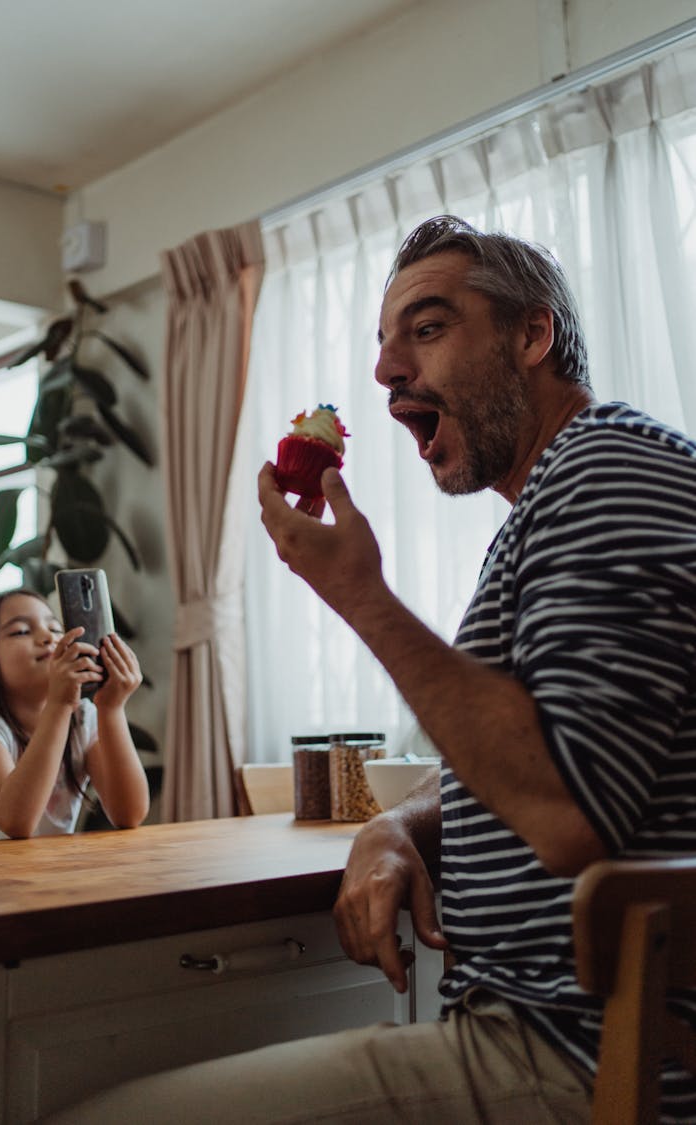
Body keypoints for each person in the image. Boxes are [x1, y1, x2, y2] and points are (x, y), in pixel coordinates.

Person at [43, 215, 696, 1123]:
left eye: (426, 329)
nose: (387, 371)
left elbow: (567, 810)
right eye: (384, 346)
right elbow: (542, 752)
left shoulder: (607, 476)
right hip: (540, 1028)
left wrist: (361, 596)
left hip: (584, 1059)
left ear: (533, 334)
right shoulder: (561, 496)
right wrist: (402, 823)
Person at [0, 588, 150, 841]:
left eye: (55, 629)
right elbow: (15, 822)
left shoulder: (81, 720)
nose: (47, 637)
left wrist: (111, 709)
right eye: (21, 631)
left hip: (45, 876)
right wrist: (59, 704)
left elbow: (129, 813)